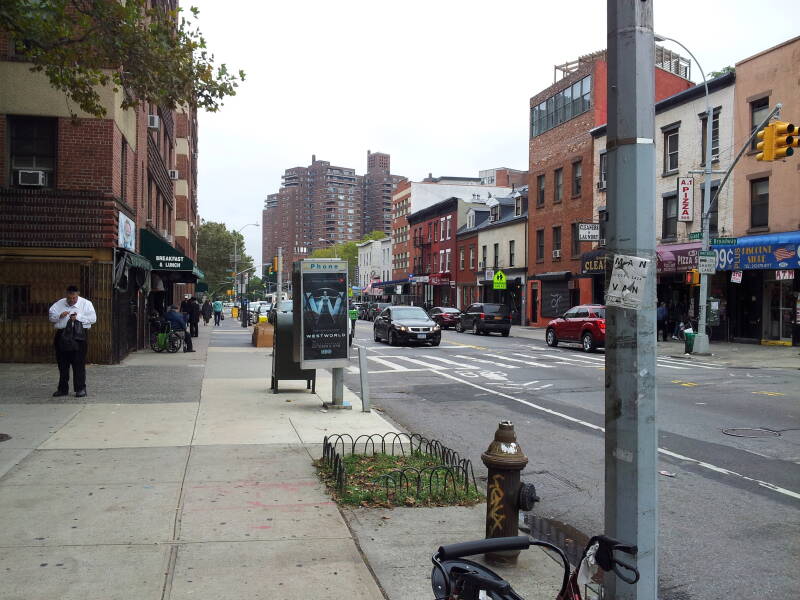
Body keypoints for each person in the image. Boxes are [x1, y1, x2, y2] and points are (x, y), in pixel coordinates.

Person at [48, 285, 97, 397]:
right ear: (66, 295)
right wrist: (59, 315)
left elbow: (93, 319)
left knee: (78, 363)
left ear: (77, 295)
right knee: (62, 363)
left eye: (74, 298)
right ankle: (63, 388)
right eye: (69, 298)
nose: (71, 300)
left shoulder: (86, 304)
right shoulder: (59, 304)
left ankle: (80, 388)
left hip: (78, 335)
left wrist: (78, 317)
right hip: (62, 334)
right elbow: (51, 316)